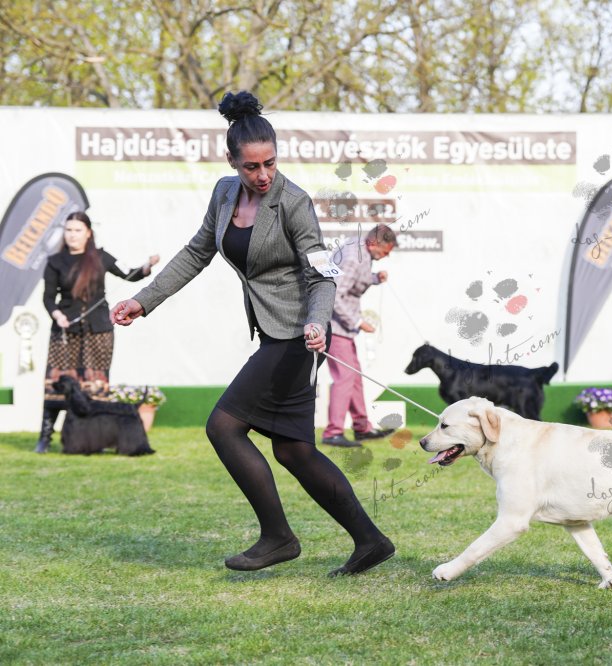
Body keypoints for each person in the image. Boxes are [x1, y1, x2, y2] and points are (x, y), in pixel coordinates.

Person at [110, 91, 394, 576]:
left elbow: (322, 275)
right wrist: (144, 300)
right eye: (251, 166)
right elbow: (197, 252)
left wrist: (317, 321)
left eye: (270, 163)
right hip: (272, 334)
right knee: (294, 450)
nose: (263, 175)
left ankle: (278, 537)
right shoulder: (224, 194)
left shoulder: (294, 203)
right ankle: (370, 541)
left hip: (299, 336)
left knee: (223, 426)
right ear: (232, 162)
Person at [36, 211, 159, 453]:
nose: (72, 235)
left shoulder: (101, 257)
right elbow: (48, 297)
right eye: (68, 230)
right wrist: (57, 315)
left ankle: (96, 440)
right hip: (65, 331)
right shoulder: (55, 261)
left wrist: (147, 266)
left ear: (88, 233)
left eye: (77, 230)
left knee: (95, 386)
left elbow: (130, 273)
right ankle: (45, 437)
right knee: (56, 384)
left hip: (99, 330)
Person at [321, 224, 398, 447]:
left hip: (342, 327)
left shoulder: (360, 250)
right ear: (375, 243)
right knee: (345, 377)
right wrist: (357, 322)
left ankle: (362, 428)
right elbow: (334, 295)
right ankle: (333, 433)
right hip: (336, 326)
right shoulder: (353, 257)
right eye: (385, 251)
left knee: (353, 376)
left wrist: (375, 278)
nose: (386, 256)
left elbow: (353, 280)